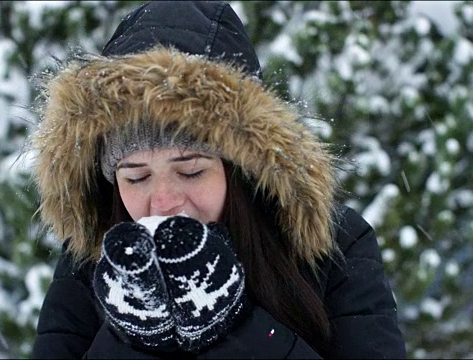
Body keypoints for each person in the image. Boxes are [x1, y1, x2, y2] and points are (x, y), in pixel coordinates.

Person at [31, 1, 406, 359]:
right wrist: (131, 340)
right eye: (136, 177)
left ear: (240, 170)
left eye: (191, 170)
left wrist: (236, 329)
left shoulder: (332, 247)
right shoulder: (89, 262)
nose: (163, 202)